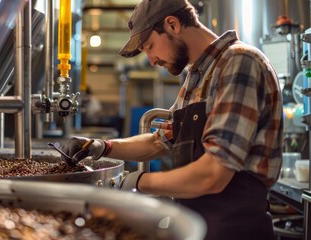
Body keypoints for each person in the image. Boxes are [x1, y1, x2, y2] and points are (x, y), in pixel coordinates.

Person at [61, 0, 283, 239]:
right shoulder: (195, 77)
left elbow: (214, 175)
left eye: (150, 46)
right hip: (197, 225)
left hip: (236, 230)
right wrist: (102, 146)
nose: (152, 60)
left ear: (173, 25)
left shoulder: (239, 62)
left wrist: (140, 181)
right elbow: (159, 142)